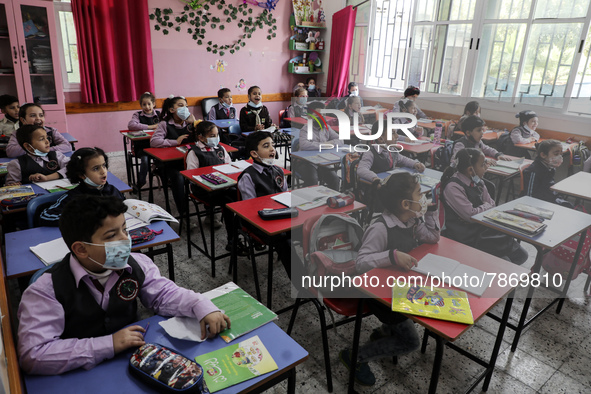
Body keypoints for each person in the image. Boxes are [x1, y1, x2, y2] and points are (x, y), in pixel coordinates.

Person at [17, 195, 231, 375]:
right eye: (112, 236)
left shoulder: (136, 263)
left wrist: (200, 305)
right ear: (81, 249)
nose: (126, 240)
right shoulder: (45, 291)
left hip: (132, 360)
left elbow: (163, 294)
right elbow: (33, 354)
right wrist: (107, 344)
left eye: (125, 230)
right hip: (81, 372)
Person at [341, 172, 438, 386]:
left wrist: (430, 211)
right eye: (420, 194)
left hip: (401, 286)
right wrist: (391, 256)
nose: (423, 198)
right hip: (376, 295)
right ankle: (356, 356)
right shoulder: (380, 227)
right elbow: (361, 263)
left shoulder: (413, 218)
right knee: (411, 342)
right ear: (405, 203)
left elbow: (432, 238)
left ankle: (384, 332)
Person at [441, 148, 528, 264]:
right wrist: (485, 207)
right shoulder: (453, 187)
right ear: (470, 170)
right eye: (482, 165)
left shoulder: (478, 181)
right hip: (466, 235)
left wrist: (483, 208)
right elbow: (471, 215)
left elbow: (492, 204)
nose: (486, 167)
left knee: (522, 255)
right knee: (505, 262)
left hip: (482, 229)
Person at [238, 131, 303, 282]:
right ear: (254, 153)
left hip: (280, 216)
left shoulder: (278, 170)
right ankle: (301, 283)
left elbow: (285, 196)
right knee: (283, 240)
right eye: (266, 146)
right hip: (259, 221)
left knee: (309, 228)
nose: (272, 149)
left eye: (272, 145)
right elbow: (250, 210)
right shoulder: (248, 176)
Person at [186, 121, 247, 254]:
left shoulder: (220, 148)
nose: (216, 138)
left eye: (217, 135)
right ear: (201, 137)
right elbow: (192, 176)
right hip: (203, 189)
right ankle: (232, 239)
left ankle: (244, 231)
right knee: (229, 202)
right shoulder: (194, 152)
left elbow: (230, 167)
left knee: (241, 195)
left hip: (223, 185)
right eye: (212, 135)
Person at [39, 147, 125, 226]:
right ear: (81, 175)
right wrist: (81, 219)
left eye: (104, 165)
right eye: (96, 168)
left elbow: (125, 207)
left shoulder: (112, 190)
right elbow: (45, 216)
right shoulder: (74, 197)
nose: (103, 171)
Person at [151, 95, 197, 214]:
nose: (185, 109)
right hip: (170, 163)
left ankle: (209, 211)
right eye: (181, 106)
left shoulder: (190, 123)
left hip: (188, 160)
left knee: (206, 170)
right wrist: (175, 142)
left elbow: (202, 139)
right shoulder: (164, 124)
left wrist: (194, 125)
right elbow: (154, 141)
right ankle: (184, 214)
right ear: (172, 110)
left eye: (186, 106)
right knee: (178, 178)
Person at [357, 120, 425, 184]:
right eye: (393, 133)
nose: (397, 136)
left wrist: (415, 164)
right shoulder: (370, 153)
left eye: (396, 133)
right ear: (381, 139)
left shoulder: (392, 150)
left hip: (389, 185)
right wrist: (375, 178)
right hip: (376, 188)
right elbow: (361, 170)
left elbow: (403, 160)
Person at [296, 101, 343, 190]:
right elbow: (304, 145)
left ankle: (332, 201)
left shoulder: (326, 127)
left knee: (335, 179)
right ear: (309, 116)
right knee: (312, 180)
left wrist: (330, 144)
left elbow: (340, 140)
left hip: (322, 161)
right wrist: (323, 145)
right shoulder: (305, 129)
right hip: (306, 162)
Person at [5, 124, 70, 185]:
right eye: (42, 139)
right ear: (28, 146)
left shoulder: (57, 155)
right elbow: (11, 186)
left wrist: (47, 178)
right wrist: (13, 185)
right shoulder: (17, 164)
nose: (47, 141)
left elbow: (71, 168)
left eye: (47, 138)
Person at [6, 103, 72, 158]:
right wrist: (34, 149)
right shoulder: (17, 134)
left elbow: (67, 146)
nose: (38, 118)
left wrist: (46, 150)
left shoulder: (51, 131)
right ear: (23, 120)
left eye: (41, 115)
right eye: (32, 116)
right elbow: (11, 152)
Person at [521, 139, 572, 207]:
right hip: (540, 203)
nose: (560, 157)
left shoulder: (550, 167)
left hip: (550, 198)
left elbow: (549, 186)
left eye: (561, 154)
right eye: (556, 154)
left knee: (569, 206)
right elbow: (529, 196)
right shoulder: (533, 171)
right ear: (543, 155)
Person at [127, 92, 161, 190]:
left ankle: (163, 175)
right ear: (141, 105)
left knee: (164, 157)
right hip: (142, 147)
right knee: (145, 160)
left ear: (153, 104)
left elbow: (165, 125)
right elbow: (131, 125)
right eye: (144, 104)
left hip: (156, 146)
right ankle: (141, 181)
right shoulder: (137, 115)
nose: (147, 107)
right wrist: (151, 127)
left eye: (149, 104)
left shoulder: (158, 114)